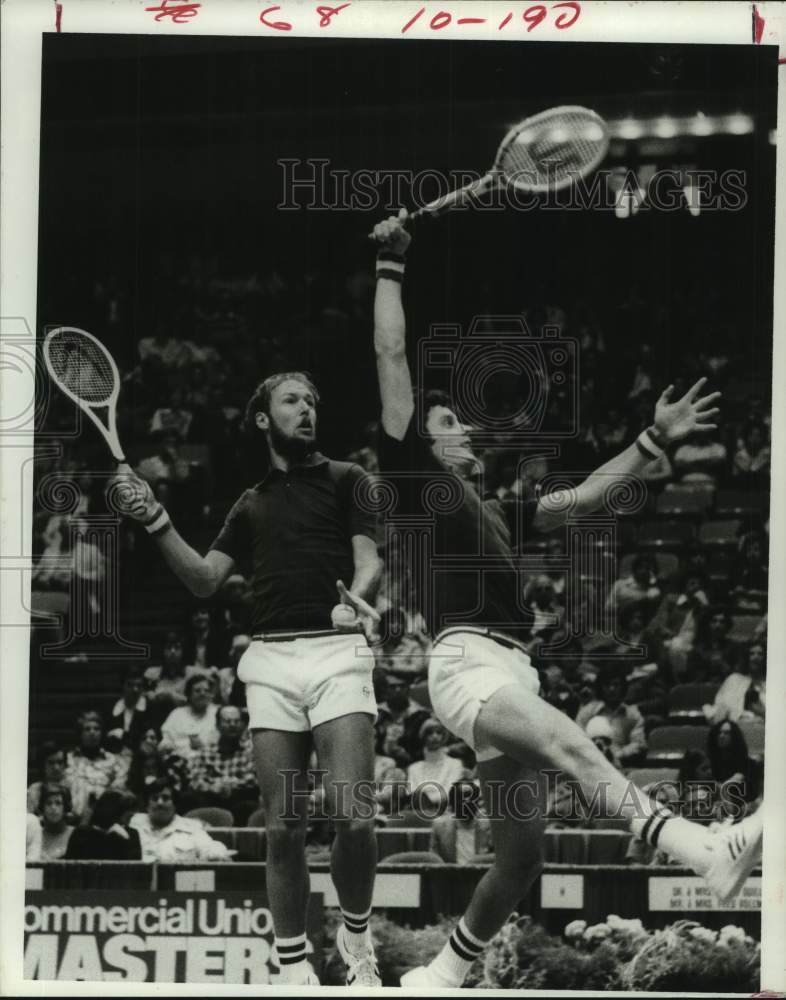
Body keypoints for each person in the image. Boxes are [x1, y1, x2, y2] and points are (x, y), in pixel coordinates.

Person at [371, 210, 761, 987]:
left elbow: (583, 498)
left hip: (513, 671)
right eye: (449, 423)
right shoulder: (420, 485)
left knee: (520, 859)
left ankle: (439, 977)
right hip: (464, 667)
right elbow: (389, 352)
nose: (466, 432)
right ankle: (697, 847)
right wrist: (389, 267)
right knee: (572, 746)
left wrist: (653, 441)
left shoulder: (501, 509)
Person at [110, 371, 384, 987]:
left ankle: (357, 935)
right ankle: (292, 966)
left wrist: (357, 596)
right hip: (272, 662)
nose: (307, 410)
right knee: (283, 825)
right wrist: (155, 519)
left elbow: (369, 561)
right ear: (264, 419)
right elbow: (206, 579)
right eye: (292, 401)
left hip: (339, 652)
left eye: (313, 400)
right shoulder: (251, 502)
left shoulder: (349, 480)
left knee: (356, 819)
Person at [186, 705, 260, 825]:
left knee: (249, 804)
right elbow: (196, 780)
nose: (232, 725)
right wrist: (215, 787)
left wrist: (230, 784)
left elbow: (253, 779)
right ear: (218, 725)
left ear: (242, 725)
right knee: (191, 798)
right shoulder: (206, 751)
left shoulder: (250, 752)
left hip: (239, 798)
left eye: (236, 721)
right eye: (227, 721)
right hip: (211, 798)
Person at [128, 779, 233, 863]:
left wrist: (217, 854)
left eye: (165, 798)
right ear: (147, 805)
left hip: (180, 884)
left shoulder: (191, 826)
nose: (159, 803)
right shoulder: (133, 823)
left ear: (175, 805)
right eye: (154, 798)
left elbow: (210, 847)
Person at [574, 668, 648, 766]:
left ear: (623, 687)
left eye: (616, 685)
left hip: (620, 765)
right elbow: (577, 739)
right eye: (607, 685)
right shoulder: (587, 712)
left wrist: (616, 755)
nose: (611, 689)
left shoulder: (632, 714)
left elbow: (638, 743)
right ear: (600, 687)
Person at [65, 711, 129, 822]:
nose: (92, 732)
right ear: (80, 733)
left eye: (96, 729)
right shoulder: (68, 759)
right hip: (74, 818)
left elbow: (119, 788)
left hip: (105, 819)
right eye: (87, 729)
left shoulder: (114, 761)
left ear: (101, 733)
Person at [406, 718, 466, 815]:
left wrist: (427, 798)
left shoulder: (455, 764)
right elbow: (413, 794)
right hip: (419, 812)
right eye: (430, 733)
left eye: (439, 733)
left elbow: (448, 792)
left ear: (443, 737)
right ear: (424, 737)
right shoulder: (414, 768)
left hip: (446, 811)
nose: (435, 736)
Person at [65, 789, 142, 861]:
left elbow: (135, 869)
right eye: (128, 817)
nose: (127, 823)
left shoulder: (131, 835)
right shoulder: (81, 834)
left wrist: (125, 841)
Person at [429, 781, 493, 864]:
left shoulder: (490, 827)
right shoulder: (439, 827)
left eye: (471, 801)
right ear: (453, 805)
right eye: (461, 801)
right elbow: (434, 860)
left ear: (477, 803)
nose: (466, 805)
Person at [159, 675, 218, 762]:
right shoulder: (177, 714)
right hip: (178, 761)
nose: (203, 694)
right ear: (188, 695)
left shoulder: (217, 713)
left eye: (207, 691)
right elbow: (166, 741)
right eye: (197, 691)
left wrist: (203, 747)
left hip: (208, 762)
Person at [106, 668, 155, 753]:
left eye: (139, 686)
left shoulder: (150, 708)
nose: (135, 690)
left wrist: (122, 735)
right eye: (130, 685)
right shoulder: (112, 707)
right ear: (123, 686)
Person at [27, 741, 69, 815]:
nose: (56, 768)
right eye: (51, 763)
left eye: (60, 762)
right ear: (42, 765)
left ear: (65, 764)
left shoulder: (76, 787)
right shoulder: (34, 790)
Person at [39, 784, 75, 861]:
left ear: (65, 807)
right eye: (49, 803)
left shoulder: (75, 835)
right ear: (43, 807)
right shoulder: (36, 834)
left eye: (58, 803)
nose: (53, 807)